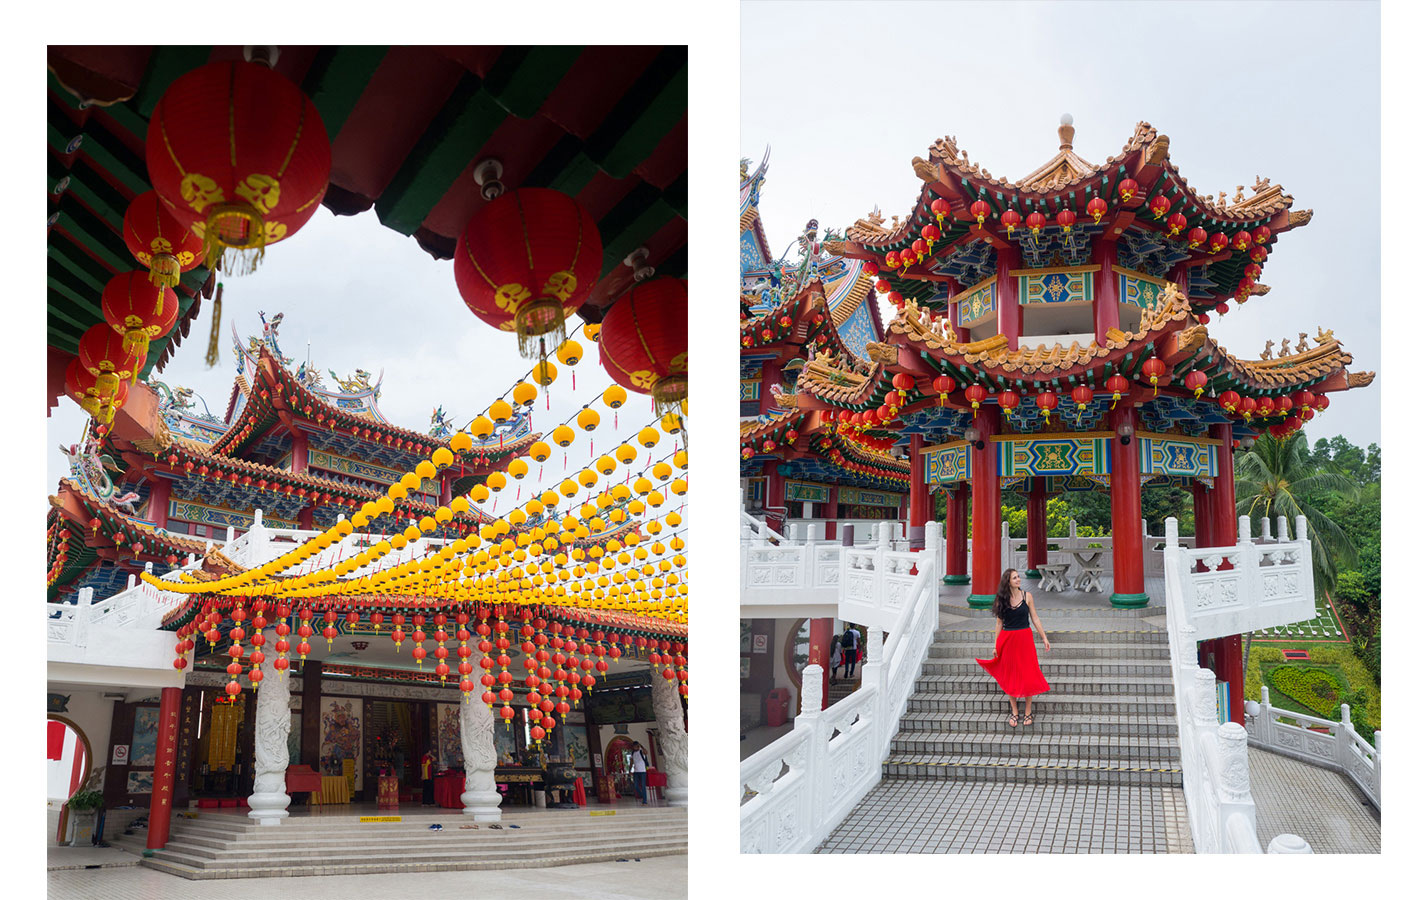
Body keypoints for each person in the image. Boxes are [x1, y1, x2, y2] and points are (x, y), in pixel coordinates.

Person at [975, 568, 1051, 727]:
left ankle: (1028, 711)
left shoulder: (1027, 596)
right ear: (1008, 582)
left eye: (1018, 577)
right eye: (1015, 578)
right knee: (1011, 675)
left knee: (1028, 674)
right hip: (1007, 640)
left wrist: (1044, 637)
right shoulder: (1000, 600)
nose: (1018, 580)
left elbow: (1035, 619)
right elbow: (998, 623)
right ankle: (1015, 711)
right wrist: (996, 645)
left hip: (1025, 639)